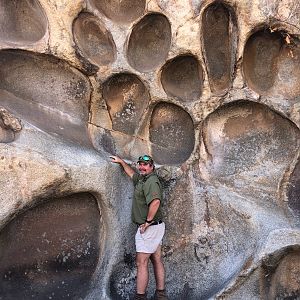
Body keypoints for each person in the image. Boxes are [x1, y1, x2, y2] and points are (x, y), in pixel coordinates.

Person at [110, 154, 168, 300]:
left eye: (145, 165)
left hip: (149, 228)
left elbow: (155, 202)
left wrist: (147, 222)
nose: (142, 167)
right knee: (156, 259)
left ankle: (140, 296)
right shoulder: (143, 179)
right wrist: (122, 162)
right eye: (140, 164)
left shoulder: (152, 182)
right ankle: (161, 295)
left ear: (152, 167)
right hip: (155, 227)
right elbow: (132, 174)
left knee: (141, 262)